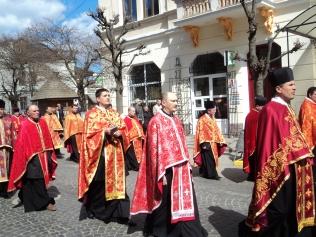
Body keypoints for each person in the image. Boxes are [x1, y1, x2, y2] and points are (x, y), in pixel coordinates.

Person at [239, 67, 316, 237]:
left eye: (294, 84)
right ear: (278, 89)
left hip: (292, 166)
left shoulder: (287, 107)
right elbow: (270, 144)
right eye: (291, 84)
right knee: (278, 210)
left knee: (288, 210)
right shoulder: (270, 110)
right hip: (280, 169)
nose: (295, 87)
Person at [131, 92, 207, 237]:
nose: (176, 103)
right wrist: (159, 172)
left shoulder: (177, 119)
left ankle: (186, 229)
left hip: (182, 168)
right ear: (163, 102)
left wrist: (188, 159)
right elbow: (153, 150)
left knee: (186, 199)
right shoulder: (155, 121)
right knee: (165, 203)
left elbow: (182, 141)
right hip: (166, 170)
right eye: (172, 100)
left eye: (176, 100)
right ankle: (160, 229)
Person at [78, 88, 130, 224]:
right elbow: (88, 135)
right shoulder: (92, 114)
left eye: (109, 95)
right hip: (100, 155)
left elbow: (124, 129)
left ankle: (121, 214)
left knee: (120, 184)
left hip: (116, 154)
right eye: (105, 96)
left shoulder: (114, 113)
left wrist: (121, 134)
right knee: (99, 184)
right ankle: (96, 210)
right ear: (98, 99)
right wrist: (104, 132)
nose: (108, 97)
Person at [8, 105, 57, 212]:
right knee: (35, 179)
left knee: (36, 180)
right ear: (28, 113)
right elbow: (21, 143)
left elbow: (47, 138)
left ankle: (23, 196)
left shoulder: (43, 122)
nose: (37, 112)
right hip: (32, 157)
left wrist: (49, 153)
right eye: (34, 111)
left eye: (38, 110)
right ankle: (45, 202)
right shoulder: (25, 124)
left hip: (44, 155)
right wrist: (27, 155)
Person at [193, 101, 227, 180]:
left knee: (212, 159)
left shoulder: (212, 118)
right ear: (209, 110)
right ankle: (212, 175)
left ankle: (205, 173)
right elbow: (200, 131)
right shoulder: (202, 119)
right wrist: (203, 143)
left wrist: (220, 140)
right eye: (214, 109)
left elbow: (216, 130)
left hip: (213, 143)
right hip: (206, 143)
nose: (215, 111)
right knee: (209, 160)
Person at [243, 96, 267, 181]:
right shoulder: (253, 115)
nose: (264, 108)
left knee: (255, 160)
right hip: (254, 143)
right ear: (257, 106)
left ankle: (253, 175)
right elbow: (254, 131)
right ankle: (253, 176)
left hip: (255, 142)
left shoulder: (255, 114)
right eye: (262, 106)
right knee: (254, 160)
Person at [0, 99, 16, 198]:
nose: (0, 111)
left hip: (7, 150)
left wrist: (15, 147)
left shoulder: (9, 119)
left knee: (6, 171)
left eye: (2, 109)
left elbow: (14, 134)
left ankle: (4, 190)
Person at [124, 106, 144, 171]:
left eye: (134, 111)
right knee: (132, 155)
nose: (134, 112)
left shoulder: (135, 118)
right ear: (129, 111)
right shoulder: (126, 120)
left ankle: (139, 164)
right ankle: (135, 166)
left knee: (139, 153)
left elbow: (139, 127)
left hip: (138, 140)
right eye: (133, 111)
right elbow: (125, 131)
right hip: (132, 141)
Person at [299, 86, 316, 156]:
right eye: (315, 94)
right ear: (310, 95)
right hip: (311, 138)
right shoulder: (306, 106)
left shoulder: (312, 104)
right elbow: (306, 124)